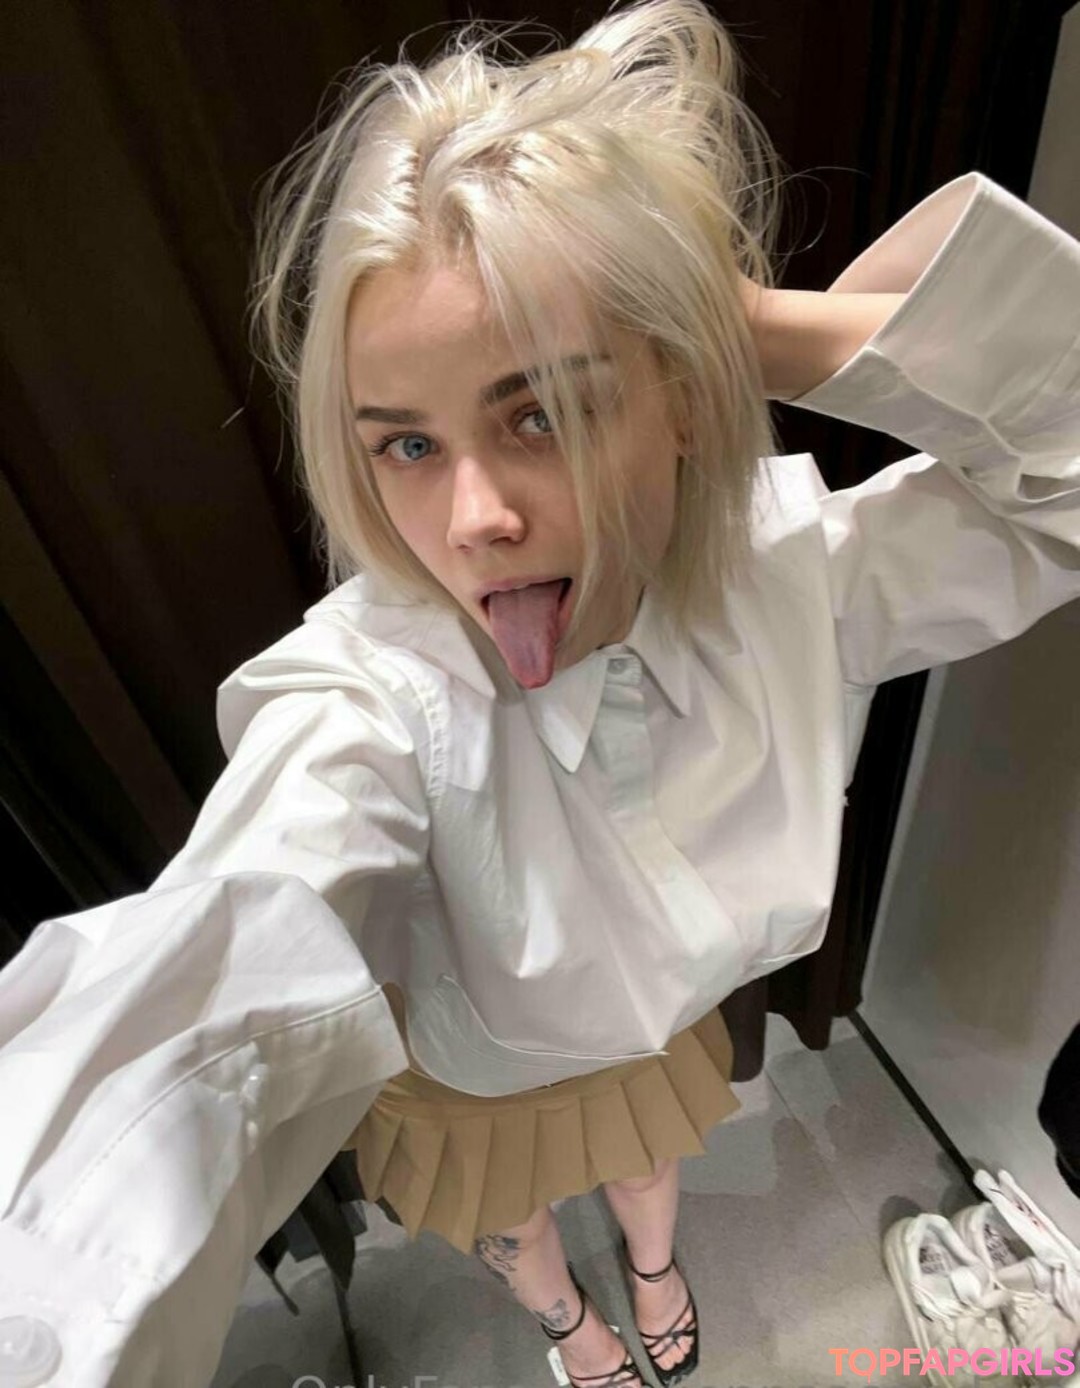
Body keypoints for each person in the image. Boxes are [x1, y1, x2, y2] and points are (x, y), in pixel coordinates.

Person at [1, 1, 1079, 1385]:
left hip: (654, 1027)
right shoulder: (367, 698)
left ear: (678, 397)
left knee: (647, 1162)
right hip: (474, 1073)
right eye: (405, 443)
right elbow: (213, 974)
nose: (474, 522)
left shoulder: (798, 572)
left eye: (541, 413)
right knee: (508, 1218)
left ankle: (651, 1270)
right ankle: (570, 1321)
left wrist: (734, 328)